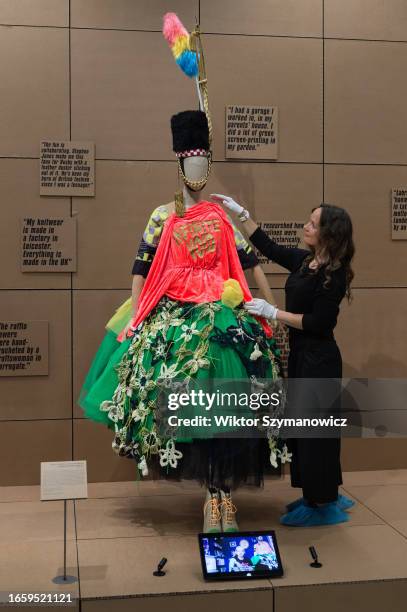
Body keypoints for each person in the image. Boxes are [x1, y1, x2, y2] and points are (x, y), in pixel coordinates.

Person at [78, 111, 290, 535]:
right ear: (180, 166)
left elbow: (250, 263)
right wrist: (138, 315)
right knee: (183, 395)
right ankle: (213, 496)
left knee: (232, 401)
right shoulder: (161, 216)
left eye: (202, 165)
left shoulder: (221, 217)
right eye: (190, 165)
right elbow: (140, 268)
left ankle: (222, 495)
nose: (197, 173)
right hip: (175, 307)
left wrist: (270, 308)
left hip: (222, 308)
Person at [210, 194, 356, 527]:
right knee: (305, 430)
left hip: (320, 360)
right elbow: (270, 248)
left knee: (316, 433)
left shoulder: (334, 275)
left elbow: (319, 323)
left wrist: (274, 312)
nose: (306, 225)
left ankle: (323, 503)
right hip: (304, 357)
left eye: (313, 224)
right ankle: (318, 493)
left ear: (328, 234)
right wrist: (241, 213)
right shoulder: (308, 263)